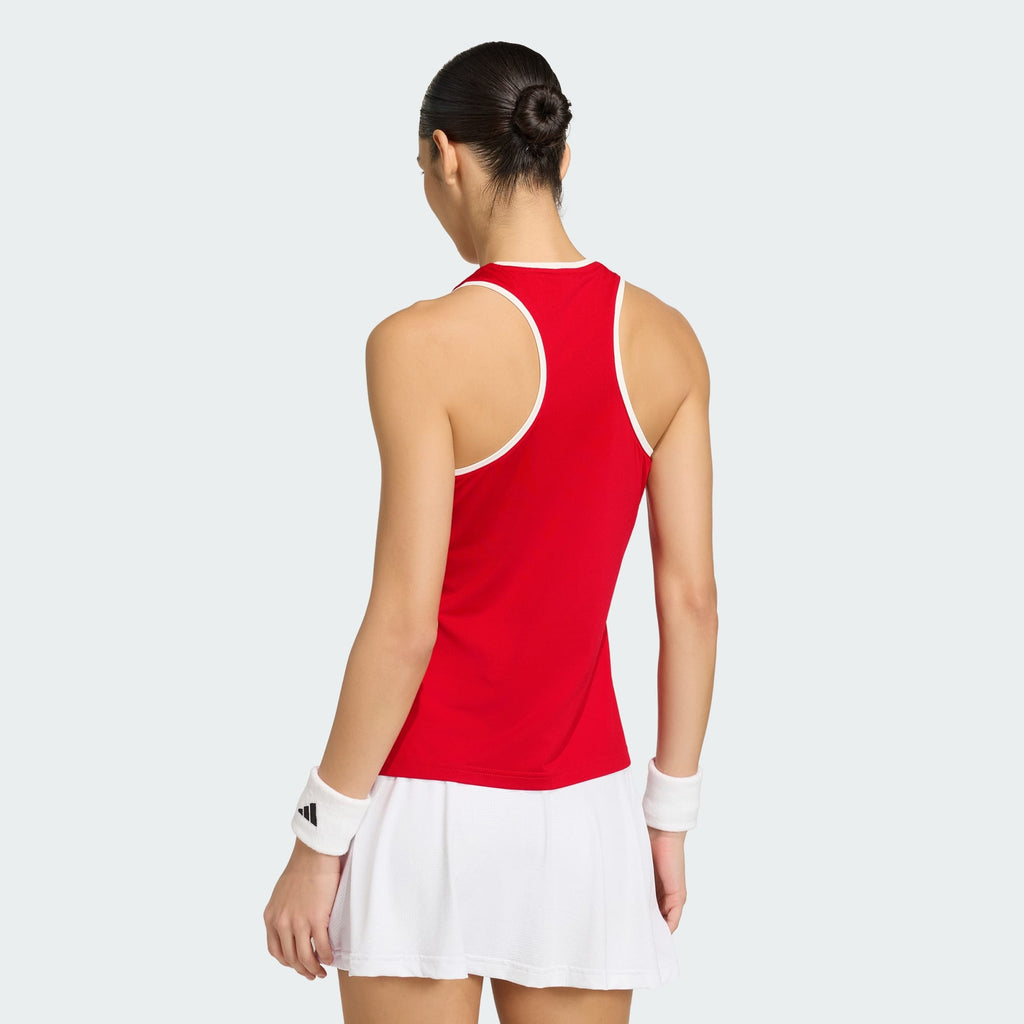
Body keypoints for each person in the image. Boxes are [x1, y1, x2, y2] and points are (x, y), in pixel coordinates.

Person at [263, 40, 717, 1024]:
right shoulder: (667, 340)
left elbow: (403, 622)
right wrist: (668, 820)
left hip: (426, 806)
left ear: (445, 155)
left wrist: (317, 835)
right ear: (561, 156)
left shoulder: (415, 344)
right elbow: (690, 602)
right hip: (585, 812)